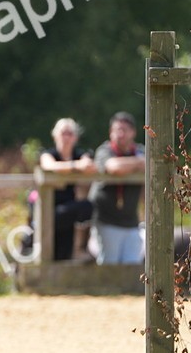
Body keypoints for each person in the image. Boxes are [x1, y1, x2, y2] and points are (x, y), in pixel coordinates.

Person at [89, 112, 146, 264]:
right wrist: (138, 163)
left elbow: (152, 165)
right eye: (117, 130)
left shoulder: (140, 151)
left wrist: (132, 163)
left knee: (132, 265)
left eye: (124, 130)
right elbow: (113, 167)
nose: (120, 134)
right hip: (106, 220)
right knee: (109, 265)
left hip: (131, 221)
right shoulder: (104, 150)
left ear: (133, 132)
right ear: (110, 132)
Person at [37, 118, 96, 261]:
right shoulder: (49, 153)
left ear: (75, 137)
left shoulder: (79, 154)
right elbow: (49, 166)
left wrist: (80, 165)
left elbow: (90, 166)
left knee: (64, 255)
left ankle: (82, 248)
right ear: (55, 135)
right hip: (49, 210)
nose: (66, 137)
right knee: (50, 254)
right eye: (63, 133)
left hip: (69, 211)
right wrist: (76, 166)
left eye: (70, 133)